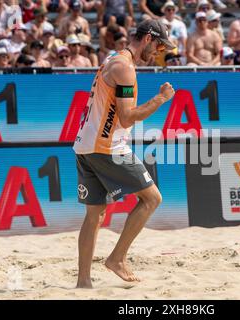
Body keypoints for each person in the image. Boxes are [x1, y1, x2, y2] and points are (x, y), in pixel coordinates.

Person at [73, 19, 175, 287]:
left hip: (86, 145)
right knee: (152, 199)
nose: (158, 53)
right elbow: (128, 117)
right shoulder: (124, 68)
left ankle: (83, 282)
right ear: (148, 39)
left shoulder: (113, 60)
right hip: (107, 147)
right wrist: (160, 99)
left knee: (94, 214)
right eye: (159, 46)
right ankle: (117, 258)